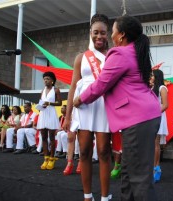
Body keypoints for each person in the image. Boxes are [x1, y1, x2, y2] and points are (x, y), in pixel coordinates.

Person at [73, 15, 161, 201]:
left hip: (139, 119)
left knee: (139, 178)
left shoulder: (119, 53)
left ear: (121, 35)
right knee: (128, 174)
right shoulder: (134, 51)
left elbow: (101, 85)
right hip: (142, 117)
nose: (110, 35)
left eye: (111, 31)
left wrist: (79, 99)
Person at [63, 14, 111, 201]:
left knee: (104, 151)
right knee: (83, 151)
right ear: (90, 33)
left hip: (103, 105)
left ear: (108, 34)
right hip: (82, 106)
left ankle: (105, 196)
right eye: (96, 32)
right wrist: (67, 116)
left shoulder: (113, 56)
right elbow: (73, 87)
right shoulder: (81, 58)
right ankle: (87, 196)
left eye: (103, 33)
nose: (99, 37)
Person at [37, 71, 62, 170]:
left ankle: (52, 158)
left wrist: (49, 103)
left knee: (51, 137)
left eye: (47, 79)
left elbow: (59, 103)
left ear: (52, 81)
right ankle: (45, 158)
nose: (45, 81)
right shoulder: (42, 91)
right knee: (43, 137)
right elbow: (41, 102)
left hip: (51, 113)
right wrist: (41, 106)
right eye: (44, 79)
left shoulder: (56, 90)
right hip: (43, 113)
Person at [150, 69, 169, 183]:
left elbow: (165, 105)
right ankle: (154, 167)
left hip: (158, 116)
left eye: (152, 75)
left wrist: (154, 114)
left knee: (156, 143)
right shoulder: (151, 88)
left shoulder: (162, 88)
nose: (151, 77)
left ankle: (156, 168)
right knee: (152, 144)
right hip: (151, 117)